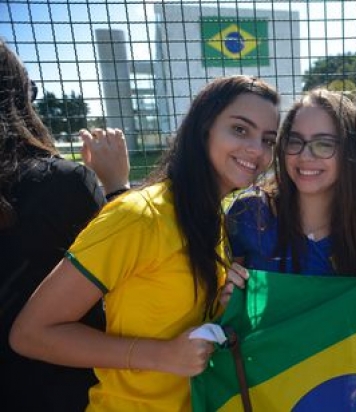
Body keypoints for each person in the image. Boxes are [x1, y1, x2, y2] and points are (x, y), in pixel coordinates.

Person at [10, 75, 280, 411]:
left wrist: (221, 308)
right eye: (240, 129)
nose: (257, 150)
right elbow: (31, 334)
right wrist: (162, 355)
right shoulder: (139, 216)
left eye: (268, 139)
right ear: (203, 128)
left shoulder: (211, 218)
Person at [0, 40, 129, 412]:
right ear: (19, 98)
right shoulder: (61, 183)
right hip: (66, 390)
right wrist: (117, 188)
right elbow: (127, 284)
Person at [221, 89, 356, 304]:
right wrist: (226, 298)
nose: (305, 156)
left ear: (350, 153)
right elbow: (221, 300)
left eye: (324, 144)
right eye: (295, 141)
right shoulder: (249, 212)